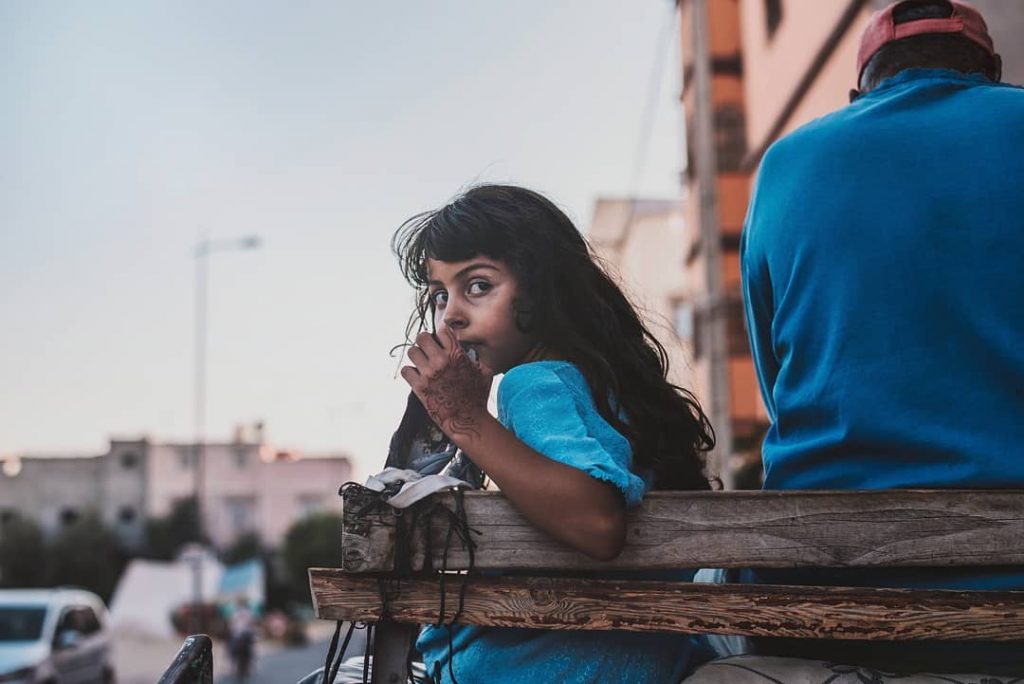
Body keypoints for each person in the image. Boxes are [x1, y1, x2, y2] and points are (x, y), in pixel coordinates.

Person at [740, 0, 1024, 672]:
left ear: (859, 93)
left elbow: (776, 383)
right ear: (992, 74)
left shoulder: (785, 163)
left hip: (824, 593)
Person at [392, 184, 716, 683]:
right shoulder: (604, 383)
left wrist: (466, 421)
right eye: (440, 294)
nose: (451, 313)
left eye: (477, 286)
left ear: (542, 291)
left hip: (538, 668)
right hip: (639, 660)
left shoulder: (533, 383)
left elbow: (598, 523)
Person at [227, 598, 257, 682]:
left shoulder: (235, 613)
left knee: (233, 652)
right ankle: (248, 667)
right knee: (249, 652)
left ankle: (234, 667)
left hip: (238, 636)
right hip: (246, 635)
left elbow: (231, 625)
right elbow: (251, 624)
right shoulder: (248, 612)